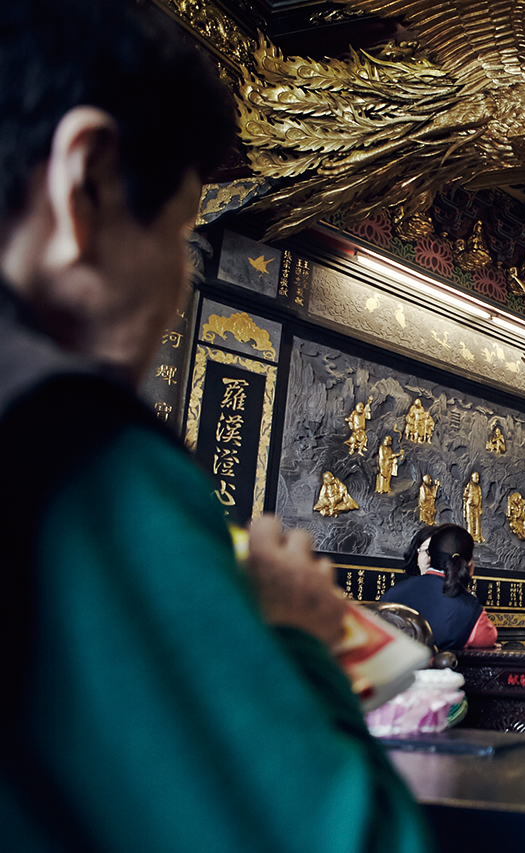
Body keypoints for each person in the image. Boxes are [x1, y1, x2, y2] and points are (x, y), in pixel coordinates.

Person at [0, 3, 432, 851]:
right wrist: (299, 639)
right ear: (82, 182)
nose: (182, 288)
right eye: (181, 239)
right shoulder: (73, 452)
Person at [381, 525, 498, 651]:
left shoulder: (393, 593)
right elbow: (487, 639)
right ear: (469, 563)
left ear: (430, 556)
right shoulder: (469, 607)